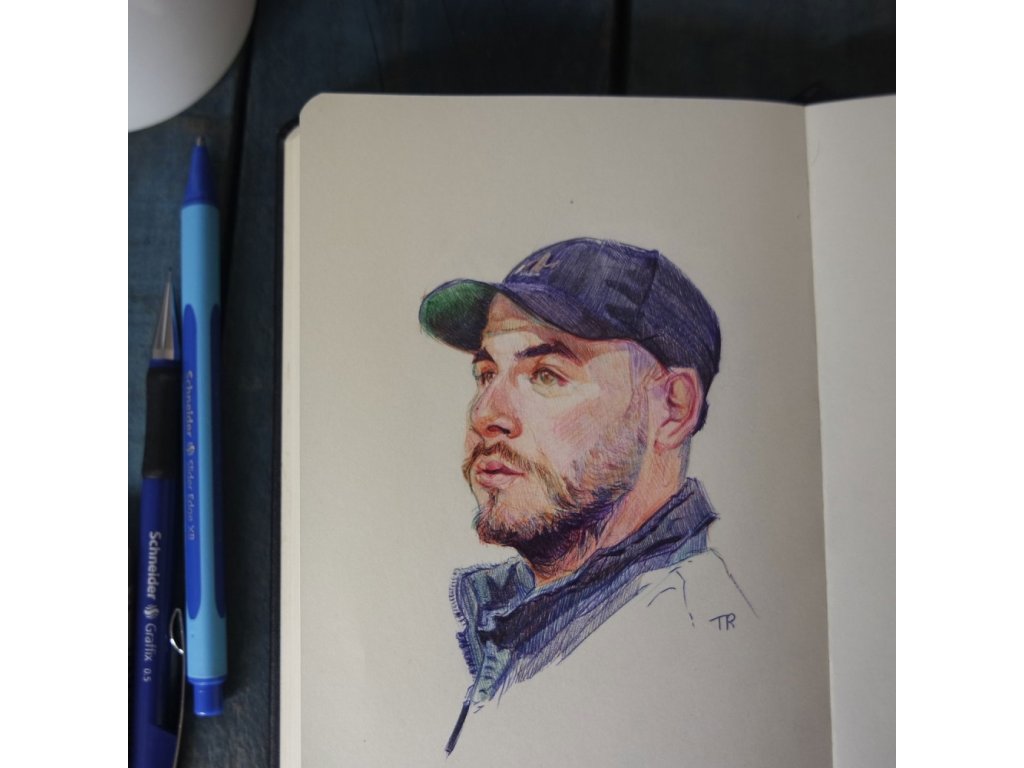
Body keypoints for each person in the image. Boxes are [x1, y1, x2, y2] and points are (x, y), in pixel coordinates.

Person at [418, 237, 754, 754]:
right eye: (486, 374)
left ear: (673, 409)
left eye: (546, 375)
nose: (485, 414)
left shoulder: (693, 645)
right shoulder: (509, 621)